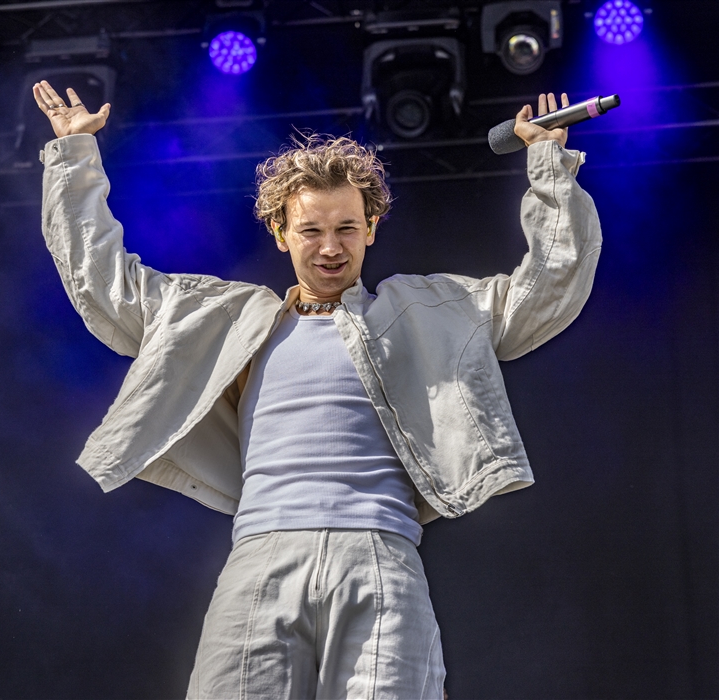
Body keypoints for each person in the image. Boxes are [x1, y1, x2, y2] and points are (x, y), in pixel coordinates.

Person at [33, 79, 601, 699]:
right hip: (263, 556)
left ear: (371, 229)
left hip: (380, 558)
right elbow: (105, 284)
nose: (330, 248)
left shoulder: (427, 309)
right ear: (280, 232)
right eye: (310, 230)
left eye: (347, 228)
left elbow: (548, 287)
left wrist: (548, 165)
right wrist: (73, 158)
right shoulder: (227, 317)